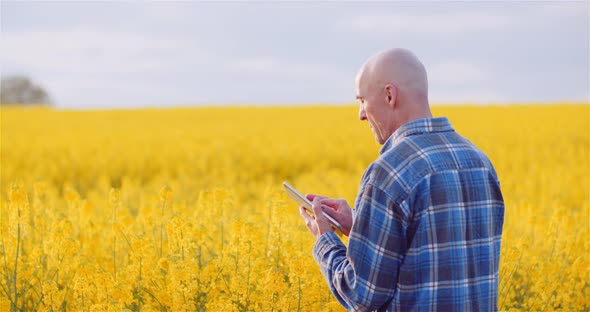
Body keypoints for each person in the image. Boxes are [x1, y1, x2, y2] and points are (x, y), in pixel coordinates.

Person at [299, 48, 505, 311]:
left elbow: (361, 294)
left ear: (389, 95)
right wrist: (359, 226)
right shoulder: (479, 162)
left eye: (362, 100)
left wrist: (325, 242)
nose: (361, 114)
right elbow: (440, 252)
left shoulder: (388, 172)